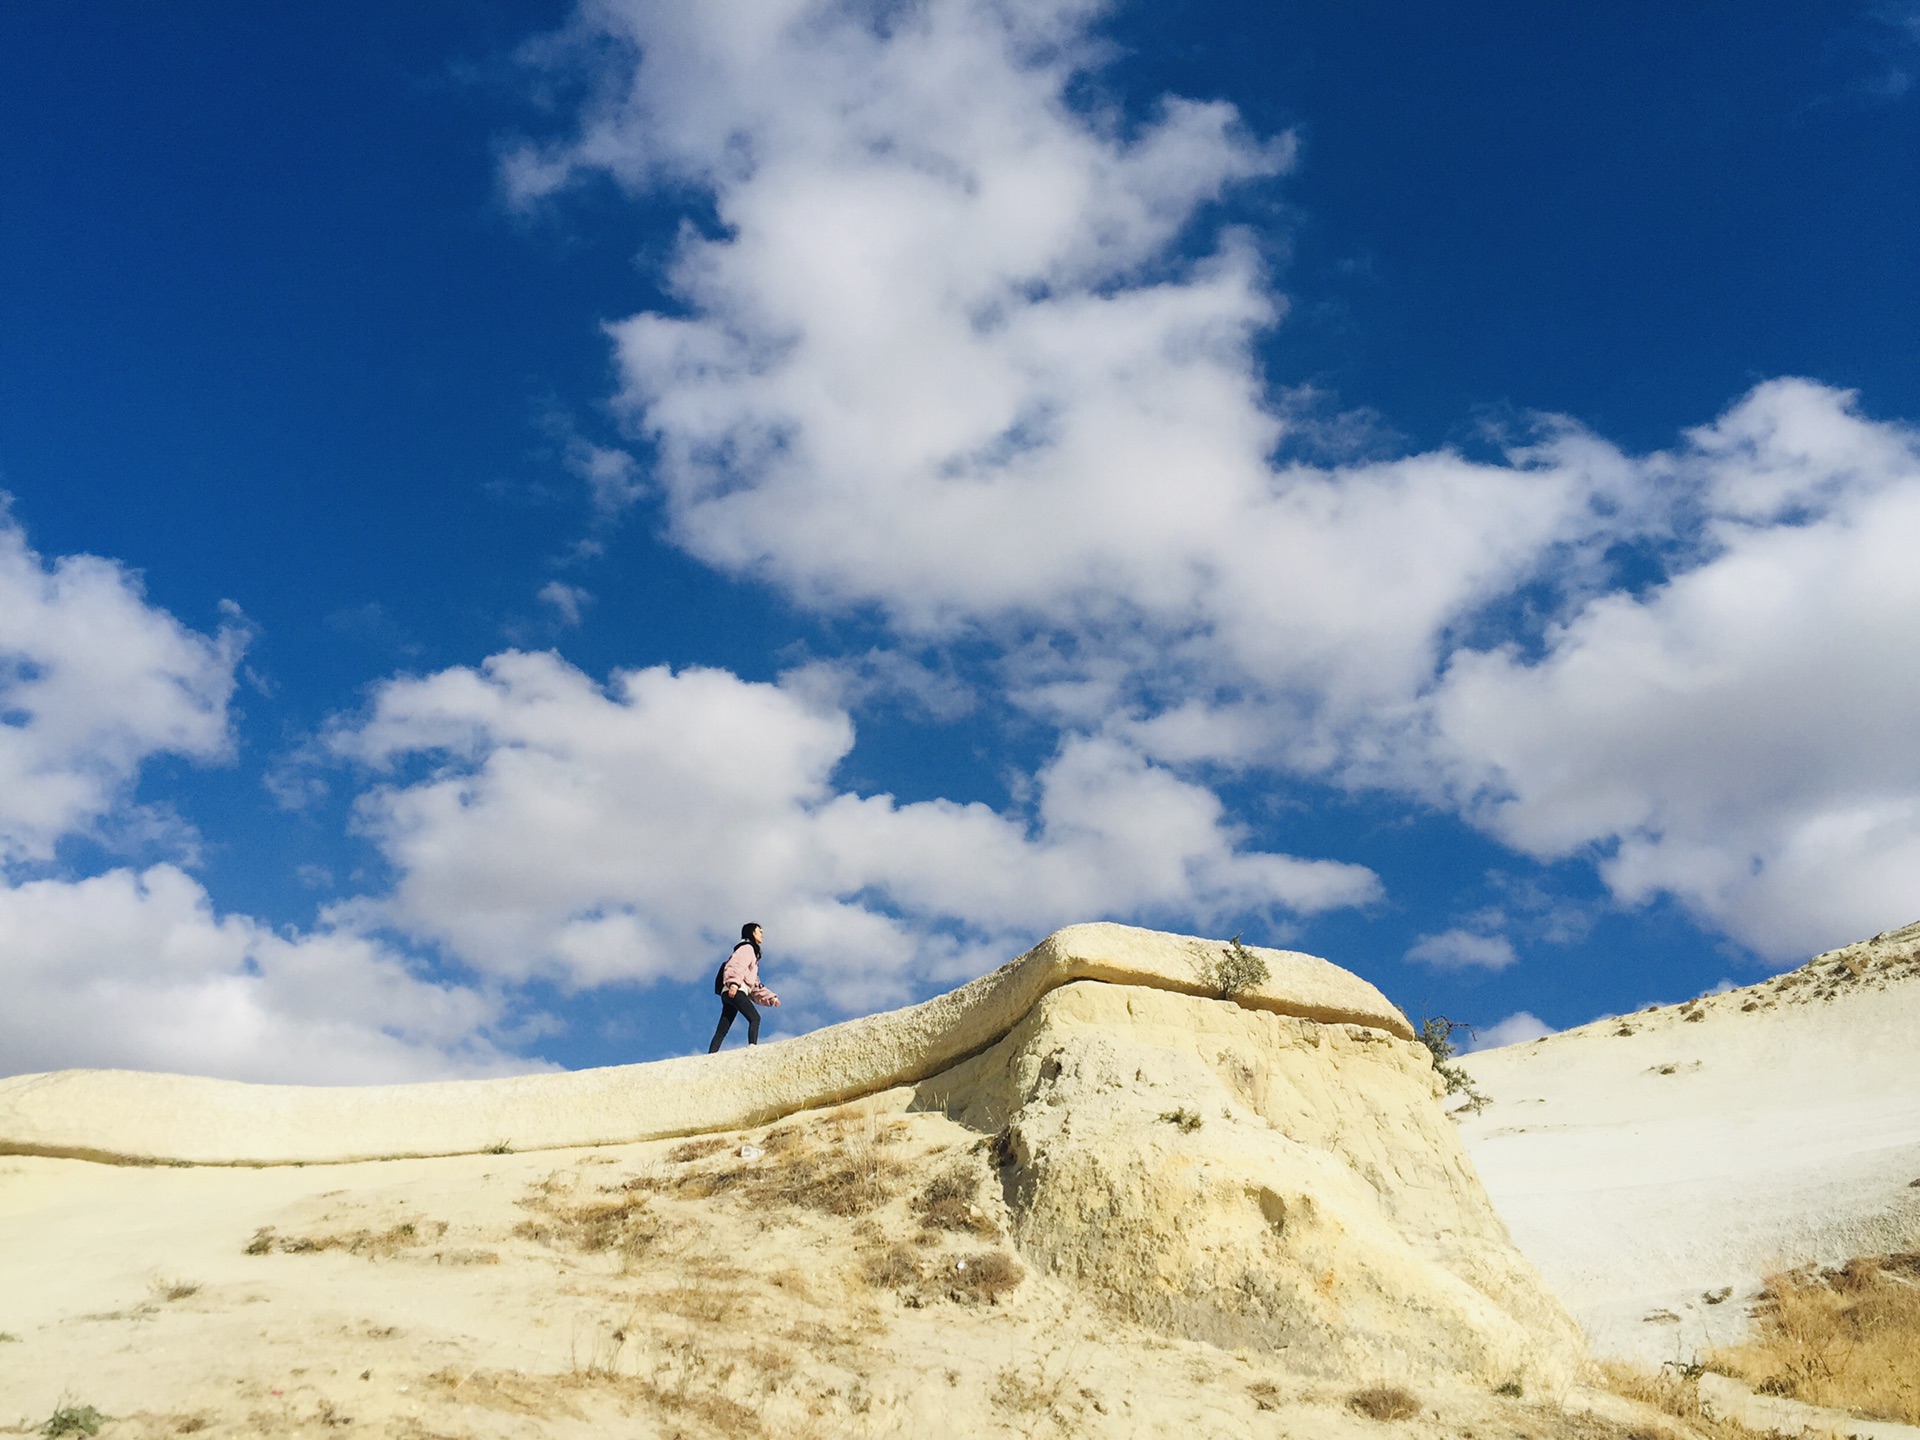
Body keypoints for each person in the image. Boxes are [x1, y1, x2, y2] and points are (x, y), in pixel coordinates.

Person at [709, 921, 780, 1053]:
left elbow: (755, 986)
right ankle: (752, 1048)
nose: (762, 934)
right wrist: (734, 984)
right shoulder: (747, 948)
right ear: (752, 933)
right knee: (755, 1018)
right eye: (760, 931)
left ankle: (710, 1055)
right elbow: (735, 965)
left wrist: (771, 998)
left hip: (731, 991)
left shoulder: (752, 955)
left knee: (723, 1028)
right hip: (735, 990)